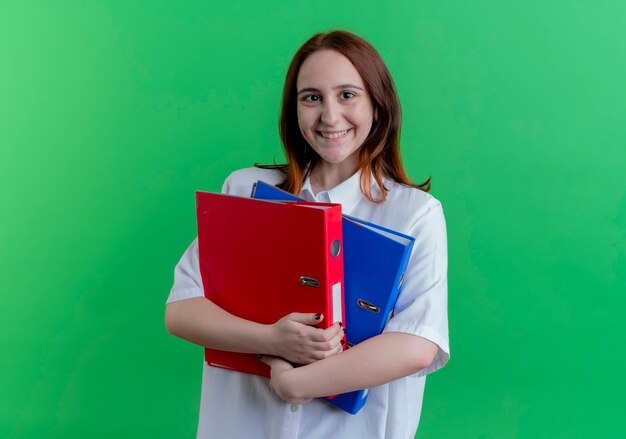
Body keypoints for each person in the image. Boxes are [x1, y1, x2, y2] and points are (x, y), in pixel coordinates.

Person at [165, 30, 449, 439]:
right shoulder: (245, 190)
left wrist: (296, 383)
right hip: (245, 424)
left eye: (348, 95)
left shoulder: (415, 214)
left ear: (378, 104)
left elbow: (417, 342)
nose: (330, 116)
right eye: (311, 97)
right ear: (293, 109)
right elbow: (182, 309)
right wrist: (273, 340)